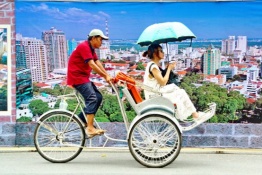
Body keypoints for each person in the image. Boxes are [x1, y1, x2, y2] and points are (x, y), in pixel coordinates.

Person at [142, 43, 209, 122]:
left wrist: (168, 68)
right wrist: (169, 68)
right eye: (160, 51)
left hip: (155, 94)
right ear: (154, 53)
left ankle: (195, 114)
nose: (163, 52)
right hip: (155, 96)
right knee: (181, 93)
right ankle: (195, 115)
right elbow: (163, 82)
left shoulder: (153, 65)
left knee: (180, 92)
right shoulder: (153, 67)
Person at [67, 29, 112, 138]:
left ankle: (82, 119)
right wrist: (105, 76)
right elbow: (92, 64)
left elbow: (97, 62)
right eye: (100, 39)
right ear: (93, 38)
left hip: (83, 77)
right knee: (92, 98)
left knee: (98, 97)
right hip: (77, 77)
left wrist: (107, 75)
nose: (101, 42)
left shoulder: (91, 49)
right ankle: (90, 128)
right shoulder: (84, 46)